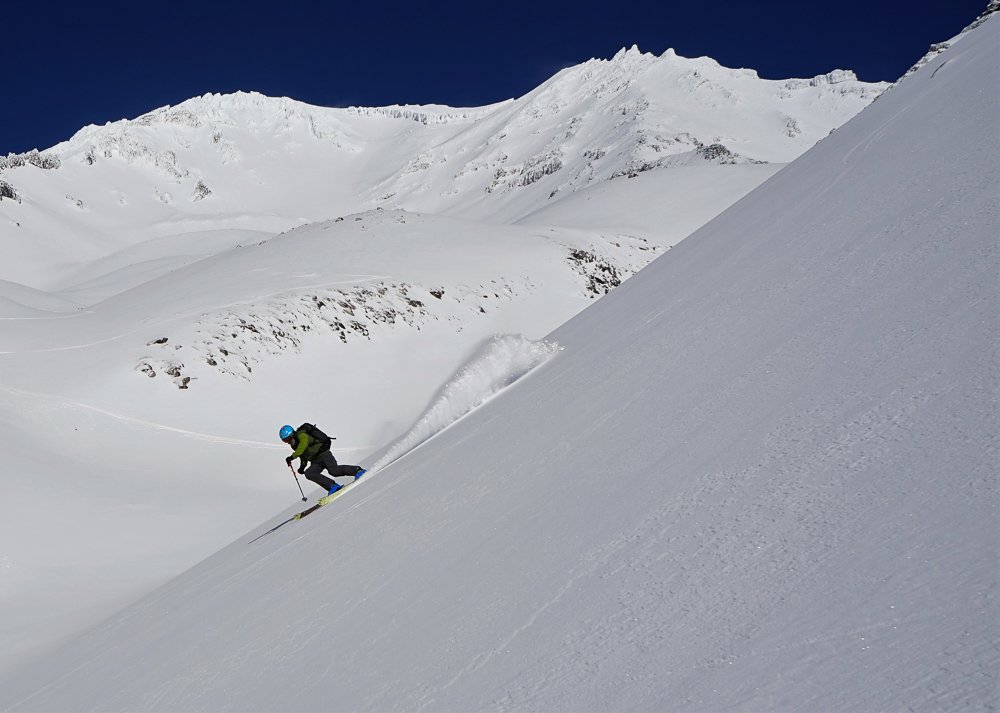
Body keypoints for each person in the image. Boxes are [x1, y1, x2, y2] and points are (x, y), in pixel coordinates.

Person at [279, 424, 366, 494]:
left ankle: (357, 470)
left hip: (324, 454)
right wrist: (302, 467)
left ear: (292, 434)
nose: (287, 442)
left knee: (333, 471)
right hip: (315, 461)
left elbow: (303, 445)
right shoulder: (294, 445)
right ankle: (333, 486)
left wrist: (292, 457)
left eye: (287, 439)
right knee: (309, 473)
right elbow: (303, 455)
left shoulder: (302, 435)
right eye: (285, 440)